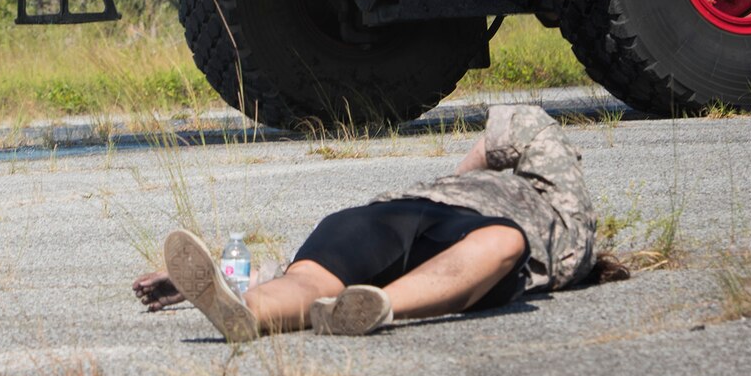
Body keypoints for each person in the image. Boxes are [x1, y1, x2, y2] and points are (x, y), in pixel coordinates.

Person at [131, 104, 597, 338]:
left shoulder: (552, 214)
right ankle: (355, 309)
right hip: (444, 225)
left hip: (400, 214)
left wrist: (240, 278)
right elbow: (528, 125)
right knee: (504, 242)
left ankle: (254, 308)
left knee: (310, 281)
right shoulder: (563, 217)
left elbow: (523, 125)